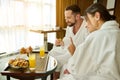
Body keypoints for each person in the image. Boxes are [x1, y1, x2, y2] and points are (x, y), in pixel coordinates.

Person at [58, 3, 120, 80]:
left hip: (101, 76)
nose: (86, 25)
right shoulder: (116, 32)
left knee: (65, 72)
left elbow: (79, 68)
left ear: (97, 16)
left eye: (87, 20)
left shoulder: (97, 36)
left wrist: (73, 54)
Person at [48, 4, 89, 79]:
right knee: (52, 53)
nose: (66, 21)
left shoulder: (87, 26)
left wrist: (74, 52)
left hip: (78, 53)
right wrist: (61, 43)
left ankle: (55, 77)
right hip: (69, 49)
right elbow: (67, 39)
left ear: (77, 16)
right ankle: (53, 76)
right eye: (65, 18)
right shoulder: (70, 26)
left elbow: (88, 48)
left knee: (58, 61)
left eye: (69, 18)